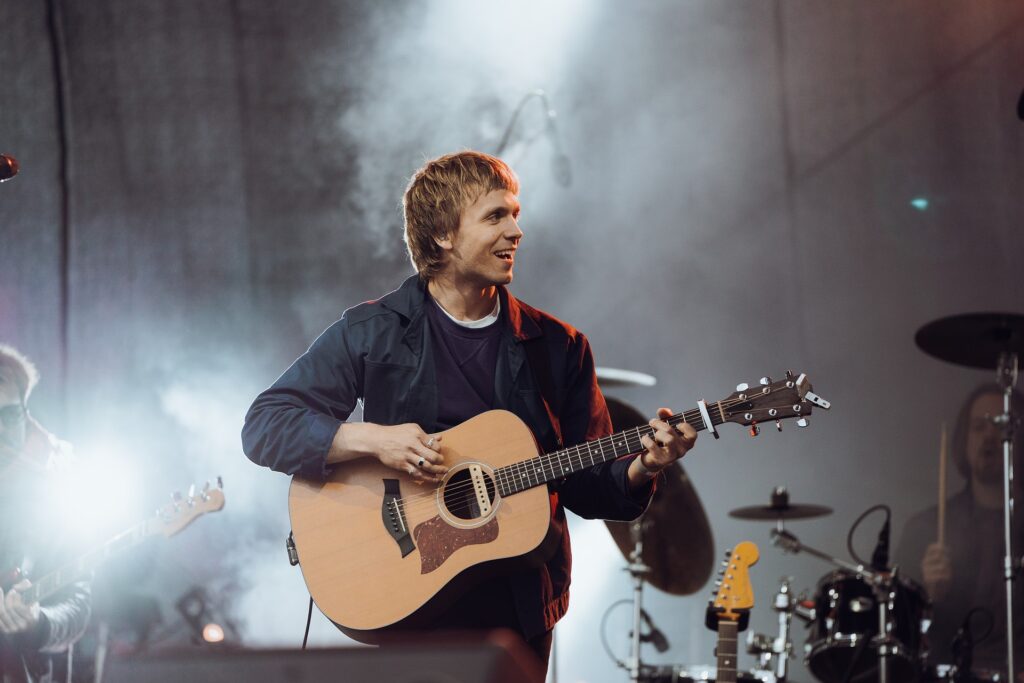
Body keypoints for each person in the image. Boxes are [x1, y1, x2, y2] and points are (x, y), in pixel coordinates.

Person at [241, 151, 696, 671]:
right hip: (406, 600)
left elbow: (588, 486)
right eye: (495, 216)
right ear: (443, 235)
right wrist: (375, 440)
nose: (516, 231)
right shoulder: (374, 331)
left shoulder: (559, 347)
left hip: (518, 609)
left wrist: (645, 466)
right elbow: (265, 425)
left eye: (515, 214)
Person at [895, 383, 1023, 680]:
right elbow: (897, 633)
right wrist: (927, 599)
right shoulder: (924, 529)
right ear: (964, 442)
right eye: (978, 427)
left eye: (1000, 425)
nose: (989, 436)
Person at [0, 345, 91, 683]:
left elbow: (78, 607)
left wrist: (38, 623)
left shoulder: (59, 489)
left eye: (9, 416)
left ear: (25, 412)